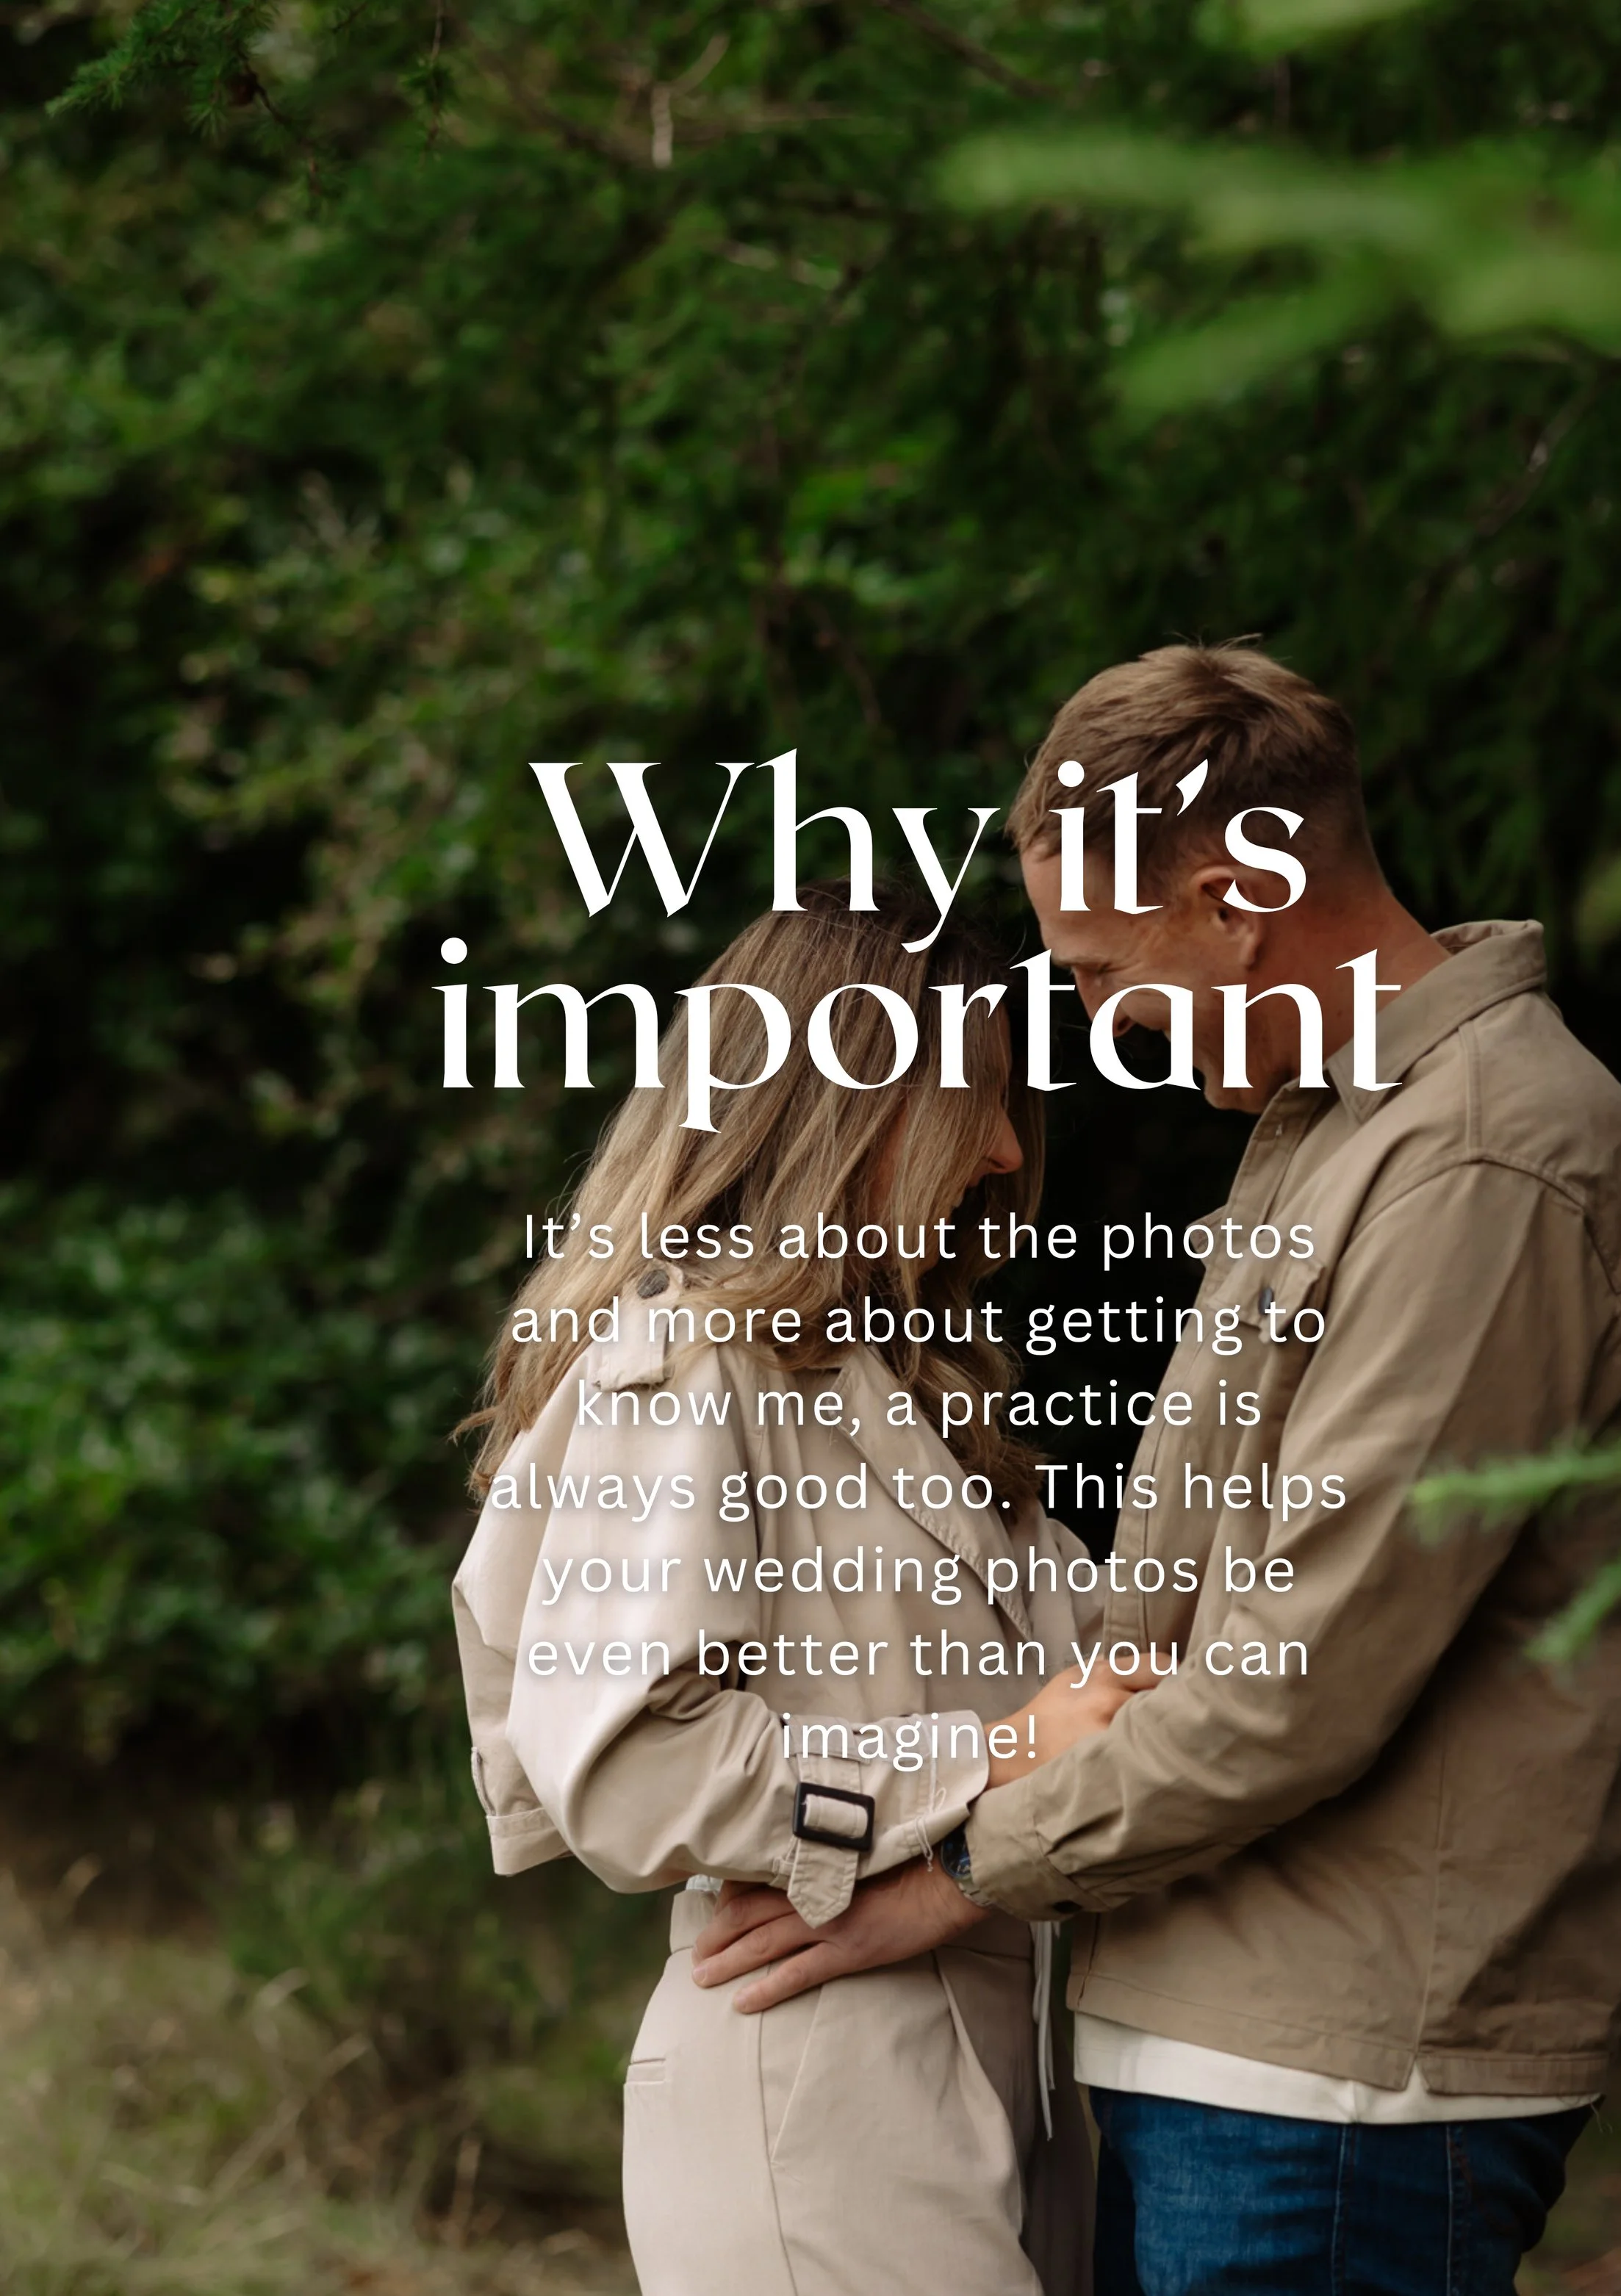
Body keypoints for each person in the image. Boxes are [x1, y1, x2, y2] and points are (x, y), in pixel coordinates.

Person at [691, 644, 1621, 2296]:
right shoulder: (1336, 1135)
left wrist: (950, 1872)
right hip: (1224, 2042)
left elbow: (1300, 1673)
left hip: (1336, 2082)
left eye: (1098, 971)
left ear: (1238, 893)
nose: (1103, 1028)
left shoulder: (1483, 1159)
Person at [451, 883, 1133, 2296]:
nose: (1008, 1149)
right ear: (846, 1107)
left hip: (1004, 2069)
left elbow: (1110, 1701)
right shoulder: (695, 1370)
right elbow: (635, 1764)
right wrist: (995, 1762)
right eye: (976, 1105)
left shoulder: (915, 1392)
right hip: (819, 2083)